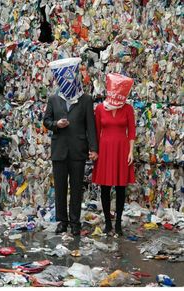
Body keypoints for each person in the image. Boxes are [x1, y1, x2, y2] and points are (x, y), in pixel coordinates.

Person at [43, 57, 98, 236]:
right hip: (59, 150)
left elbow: (91, 126)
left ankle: (75, 222)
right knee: (60, 188)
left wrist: (93, 149)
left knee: (76, 188)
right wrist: (56, 124)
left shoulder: (86, 100)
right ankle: (62, 221)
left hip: (77, 150)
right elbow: (46, 121)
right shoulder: (54, 99)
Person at [92, 73, 136, 236]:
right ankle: (108, 223)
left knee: (120, 188)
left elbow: (131, 132)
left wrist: (131, 151)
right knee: (105, 187)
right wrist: (94, 151)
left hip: (122, 150)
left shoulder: (128, 109)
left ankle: (118, 223)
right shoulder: (100, 108)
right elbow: (96, 132)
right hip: (105, 150)